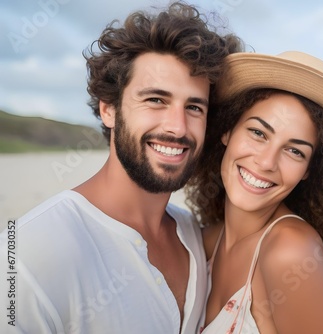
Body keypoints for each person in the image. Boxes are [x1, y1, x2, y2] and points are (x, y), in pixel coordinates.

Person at [0, 2, 242, 333]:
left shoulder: (192, 236)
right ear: (109, 110)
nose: (177, 127)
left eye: (194, 107)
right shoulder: (27, 253)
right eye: (156, 100)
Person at [185, 51, 323, 333]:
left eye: (294, 151)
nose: (267, 162)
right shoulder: (206, 241)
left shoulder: (291, 252)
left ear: (308, 169)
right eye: (258, 133)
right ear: (227, 131)